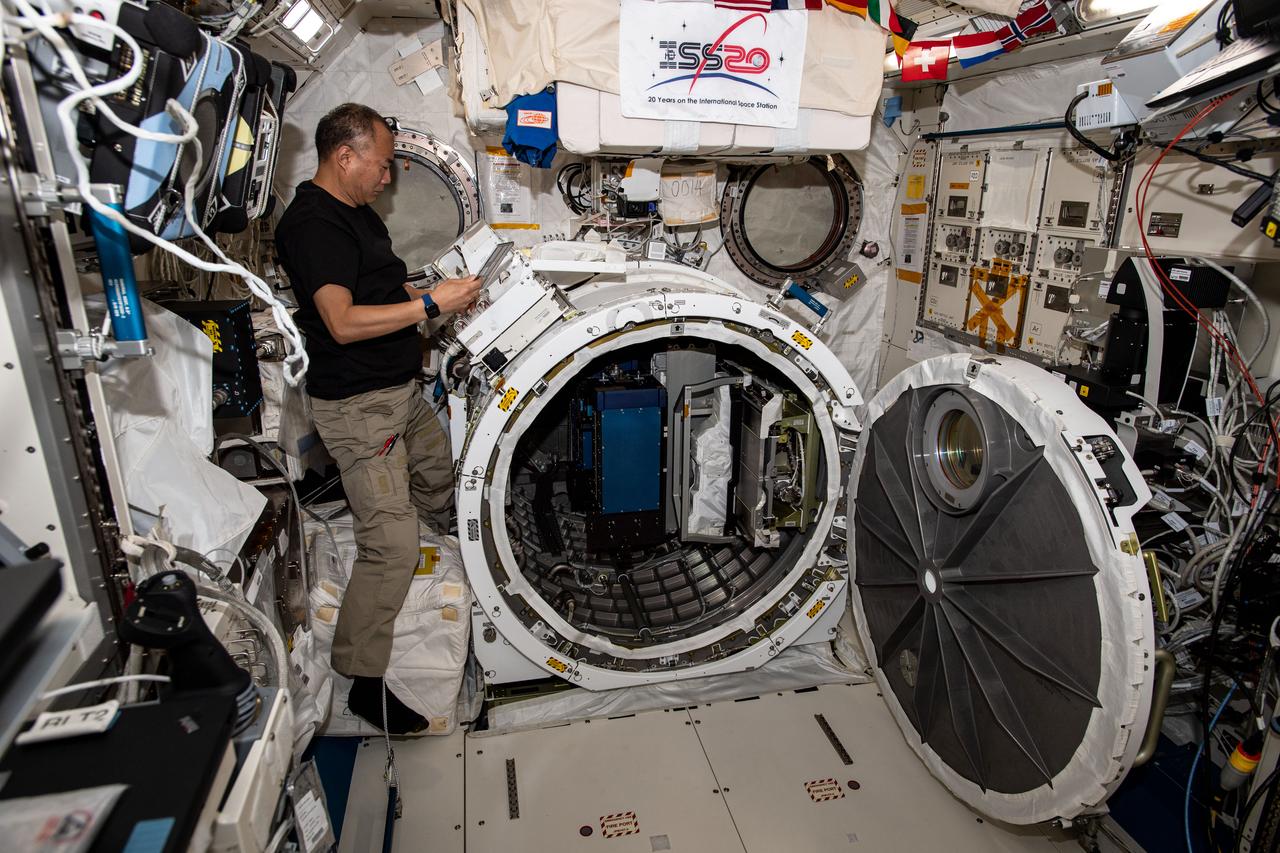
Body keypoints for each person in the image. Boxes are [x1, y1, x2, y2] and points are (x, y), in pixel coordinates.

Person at [275, 103, 481, 732]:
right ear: (346, 156)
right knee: (389, 547)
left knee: (438, 471)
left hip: (398, 392)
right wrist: (427, 304)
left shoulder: (354, 213)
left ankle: (439, 563)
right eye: (384, 163)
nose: (388, 177)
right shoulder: (314, 226)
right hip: (362, 410)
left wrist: (440, 304)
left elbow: (376, 291)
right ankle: (364, 682)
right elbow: (340, 321)